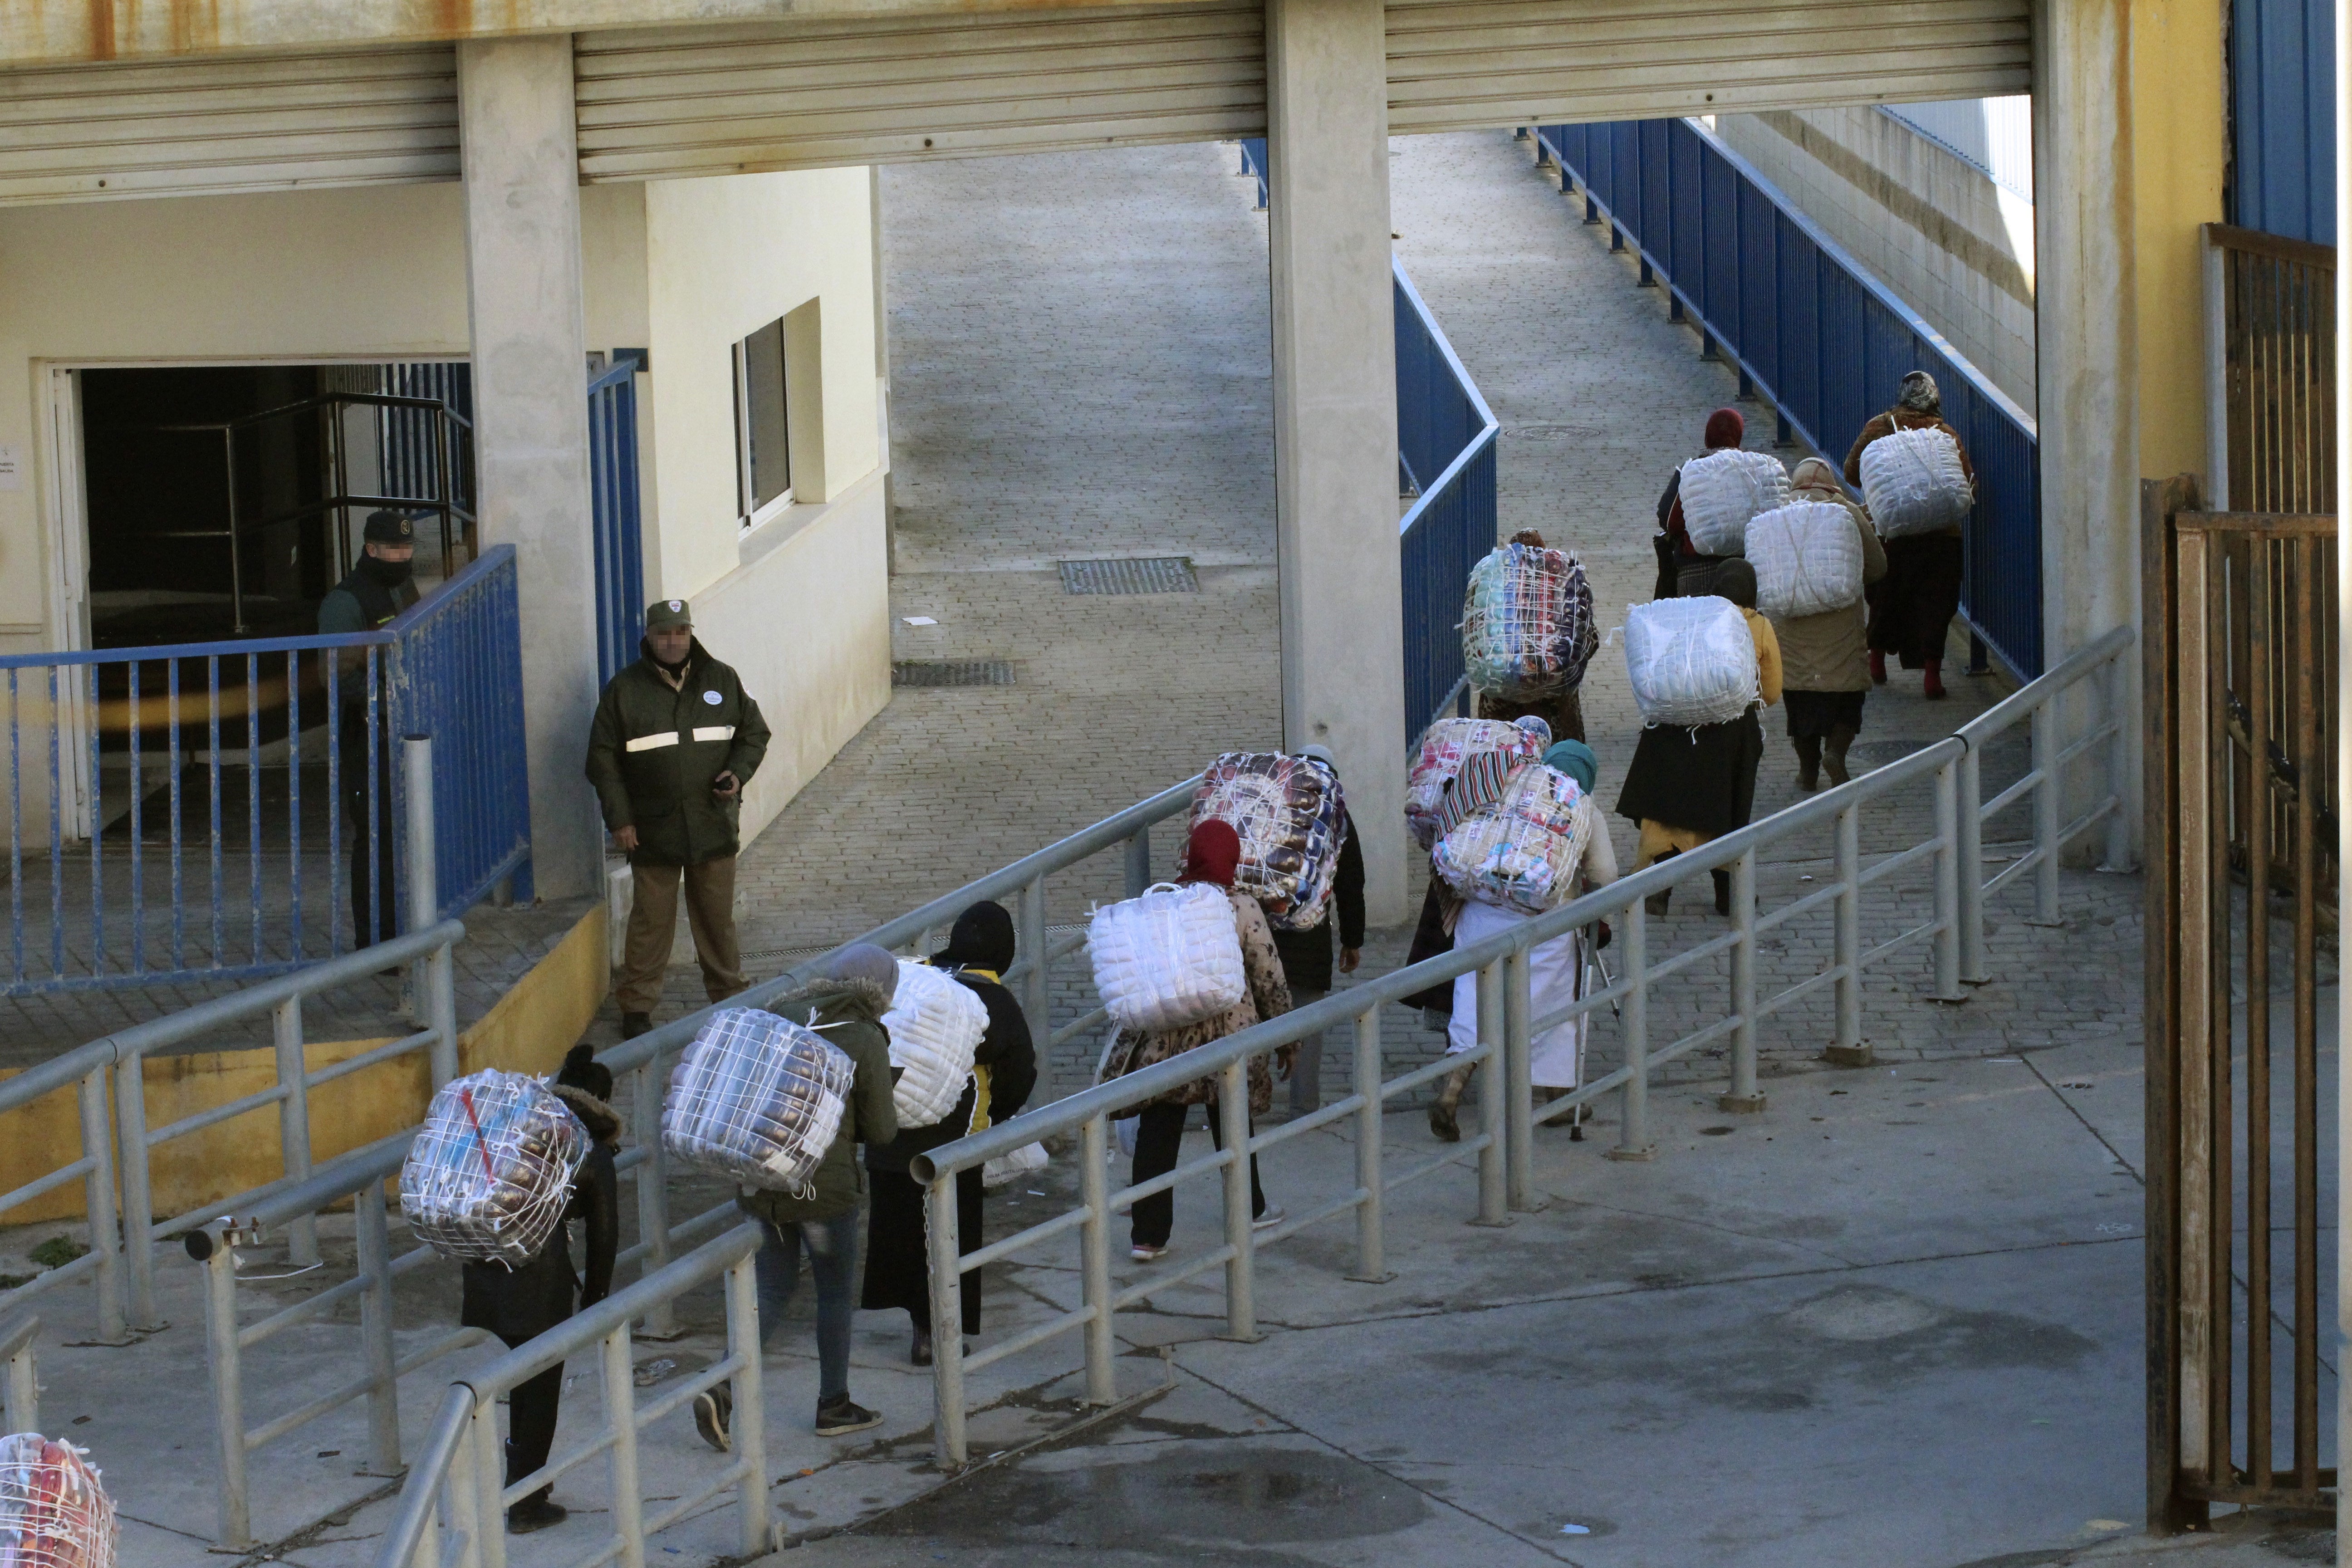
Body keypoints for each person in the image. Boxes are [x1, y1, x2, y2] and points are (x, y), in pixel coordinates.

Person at [694, 945, 898, 1450]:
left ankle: (722, 1387)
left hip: (763, 1181)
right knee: (832, 1294)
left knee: (771, 1289)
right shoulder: (864, 1036)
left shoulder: (781, 1015)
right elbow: (882, 1131)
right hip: (824, 1194)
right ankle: (834, 1405)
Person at [1103, 820, 1293, 1261]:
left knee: (1159, 1131)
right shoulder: (1240, 906)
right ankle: (1251, 1209)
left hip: (1167, 1042)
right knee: (1234, 1126)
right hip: (1229, 1040)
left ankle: (1147, 1236)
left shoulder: (1165, 902)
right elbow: (1269, 976)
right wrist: (1288, 1036)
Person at [861, 902, 1038, 1367]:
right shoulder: (994, 999)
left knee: (899, 1235)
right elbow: (1021, 1074)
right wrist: (994, 1117)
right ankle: (936, 1336)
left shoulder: (916, 977)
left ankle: (918, 1326)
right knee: (947, 1239)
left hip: (887, 1133)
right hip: (951, 1143)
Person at [586, 598, 772, 1039]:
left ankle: (730, 998)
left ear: (691, 634)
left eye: (681, 633)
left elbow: (754, 734)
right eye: (664, 634)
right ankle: (636, 1007)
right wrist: (621, 820)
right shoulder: (625, 691)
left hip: (712, 824)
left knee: (717, 921)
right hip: (652, 829)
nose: (673, 642)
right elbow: (603, 761)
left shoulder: (722, 679)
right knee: (651, 924)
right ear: (649, 637)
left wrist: (738, 774)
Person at [457, 1044, 620, 1535]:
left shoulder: (520, 1129)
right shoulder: (588, 1149)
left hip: (484, 1276)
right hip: (539, 1288)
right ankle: (525, 1503)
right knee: (540, 1391)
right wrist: (596, 1299)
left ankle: (523, 1480)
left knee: (518, 1384)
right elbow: (605, 1236)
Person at [1427, 741, 1618, 1142]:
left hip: (1480, 913)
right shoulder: (1582, 806)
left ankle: (1452, 1089)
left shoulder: (1509, 788)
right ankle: (1558, 1102)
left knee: (1473, 1000)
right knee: (1550, 1007)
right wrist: (1602, 919)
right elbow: (1603, 873)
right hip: (1544, 924)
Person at [1614, 559, 1782, 917]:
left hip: (1673, 734)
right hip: (1730, 739)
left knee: (1667, 812)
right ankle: (1728, 895)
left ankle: (1658, 890)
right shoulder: (1758, 625)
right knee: (1727, 813)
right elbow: (1771, 691)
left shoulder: (1692, 617)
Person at [1401, 715, 1553, 1030]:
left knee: (1453, 971)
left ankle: (1456, 1042)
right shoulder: (1530, 793)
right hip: (1493, 897)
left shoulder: (1471, 776)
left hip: (1452, 881)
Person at [317, 510, 420, 949]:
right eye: (392, 550)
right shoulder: (346, 601)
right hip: (368, 736)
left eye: (406, 549)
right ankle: (377, 941)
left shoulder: (403, 588)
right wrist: (384, 697)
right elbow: (338, 676)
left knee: (410, 835)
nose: (400, 557)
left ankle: (408, 933)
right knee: (376, 839)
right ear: (370, 549)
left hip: (404, 731)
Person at [1844, 370, 1977, 700]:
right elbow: (1968, 479)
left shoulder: (1879, 427)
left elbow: (1851, 471)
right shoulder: (1945, 433)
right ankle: (1932, 678)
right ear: (1934, 399)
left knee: (1884, 594)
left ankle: (1876, 663)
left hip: (1892, 535)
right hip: (1942, 536)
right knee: (1937, 601)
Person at [1771, 459, 1887, 791]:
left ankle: (1807, 771)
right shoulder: (1847, 511)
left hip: (1792, 633)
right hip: (1841, 633)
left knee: (1800, 701)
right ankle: (1835, 753)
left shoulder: (1776, 514)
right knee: (1847, 699)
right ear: (1830, 484)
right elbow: (1878, 567)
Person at [1269, 746, 1364, 1117]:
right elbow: (1351, 882)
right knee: (1307, 1022)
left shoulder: (1268, 806)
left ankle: (1244, 1104)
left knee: (1255, 1019)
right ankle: (1304, 1106)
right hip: (1310, 939)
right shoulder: (1335, 817)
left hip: (1259, 936)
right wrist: (1352, 941)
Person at [1475, 529, 1589, 743]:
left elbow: (1475, 639)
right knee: (1556, 758)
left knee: (1503, 754)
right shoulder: (1562, 579)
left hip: (1501, 700)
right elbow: (1587, 639)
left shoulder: (1493, 585)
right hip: (1554, 701)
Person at [1652, 408, 1749, 601]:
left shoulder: (1691, 471)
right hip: (1742, 572)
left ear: (1708, 436)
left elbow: (1668, 518)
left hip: (1696, 569)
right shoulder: (1753, 471)